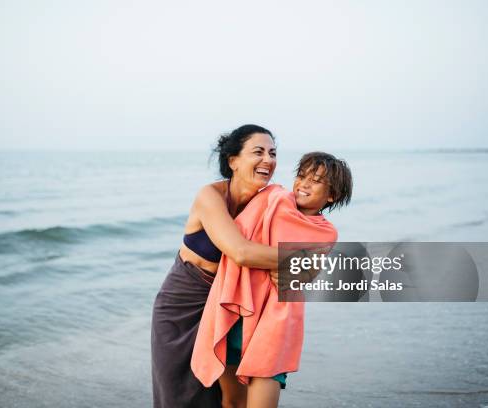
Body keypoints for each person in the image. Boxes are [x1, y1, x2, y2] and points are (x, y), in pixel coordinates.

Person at [192, 151, 353, 408]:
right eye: (301, 176)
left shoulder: (325, 232)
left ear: (331, 195)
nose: (304, 184)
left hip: (274, 322)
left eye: (316, 180)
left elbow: (295, 276)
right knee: (232, 402)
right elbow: (241, 243)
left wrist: (284, 263)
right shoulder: (273, 198)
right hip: (236, 310)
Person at [151, 124, 282, 408]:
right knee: (179, 397)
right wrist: (304, 260)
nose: (268, 160)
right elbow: (242, 252)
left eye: (273, 153)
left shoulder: (270, 202)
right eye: (258, 152)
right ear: (232, 161)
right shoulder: (209, 196)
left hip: (227, 308)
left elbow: (304, 230)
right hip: (181, 309)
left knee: (228, 398)